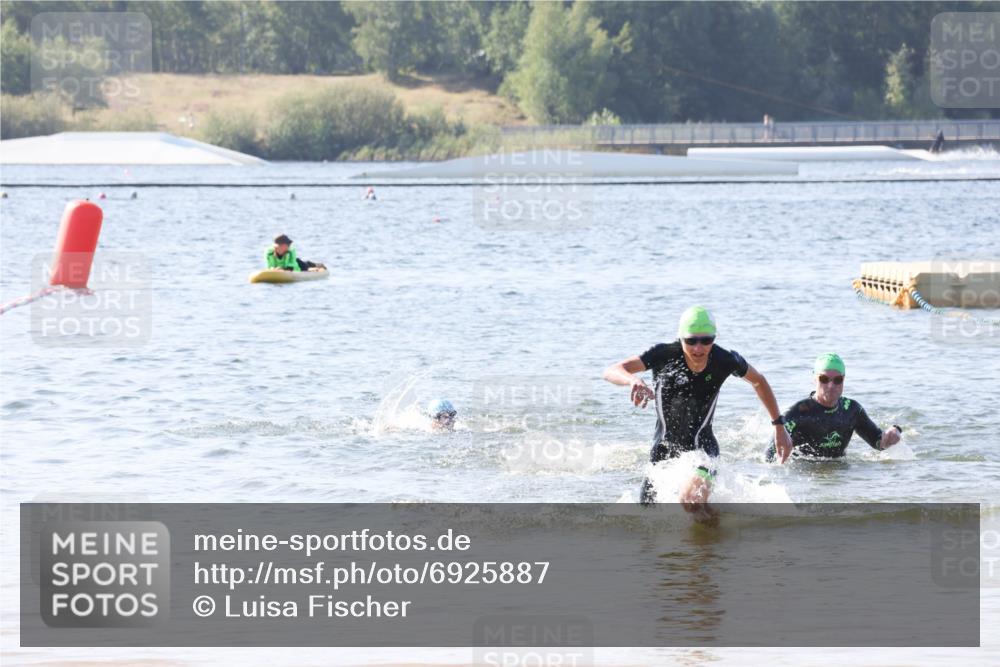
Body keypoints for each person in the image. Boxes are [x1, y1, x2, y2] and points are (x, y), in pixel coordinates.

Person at [604, 306, 793, 511]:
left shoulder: (724, 359)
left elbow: (758, 381)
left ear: (714, 338)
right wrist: (632, 380)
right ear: (681, 338)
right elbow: (612, 370)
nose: (698, 348)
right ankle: (718, 528)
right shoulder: (663, 355)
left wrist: (779, 426)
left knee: (691, 499)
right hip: (662, 451)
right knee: (647, 519)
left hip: (704, 451)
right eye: (691, 341)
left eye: (706, 340)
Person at [765, 353, 902, 461]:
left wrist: (894, 432)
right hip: (806, 475)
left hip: (840, 476)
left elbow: (879, 443)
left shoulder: (852, 410)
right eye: (824, 379)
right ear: (814, 379)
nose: (831, 386)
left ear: (844, 379)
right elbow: (768, 456)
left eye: (837, 380)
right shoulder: (797, 413)